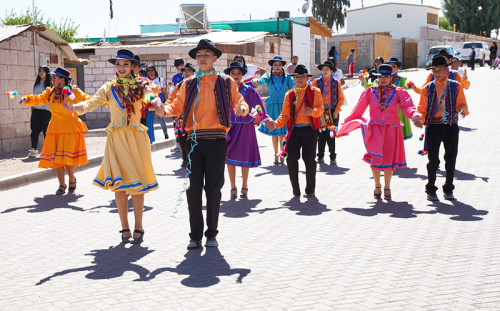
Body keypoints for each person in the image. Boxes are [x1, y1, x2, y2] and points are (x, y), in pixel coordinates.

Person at [155, 39, 249, 250]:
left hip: (217, 139)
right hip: (193, 141)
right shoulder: (188, 83)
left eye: (207, 54)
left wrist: (242, 107)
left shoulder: (226, 81)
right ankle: (195, 235)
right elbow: (176, 106)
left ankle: (212, 234)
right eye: (199, 55)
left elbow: (238, 100)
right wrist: (163, 110)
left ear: (215, 58)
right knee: (193, 188)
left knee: (214, 189)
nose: (202, 58)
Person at [66, 49, 159, 244]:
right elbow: (92, 102)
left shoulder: (142, 86)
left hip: (136, 138)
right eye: (118, 64)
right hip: (116, 138)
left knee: (138, 184)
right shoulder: (109, 88)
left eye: (126, 64)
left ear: (133, 67)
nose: (121, 68)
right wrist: (75, 107)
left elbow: (151, 97)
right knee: (119, 184)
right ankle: (124, 226)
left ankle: (139, 226)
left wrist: (155, 102)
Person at [337, 64, 422, 200]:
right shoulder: (369, 92)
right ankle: (377, 185)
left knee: (388, 158)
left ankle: (387, 186)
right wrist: (345, 126)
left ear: (391, 78)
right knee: (375, 156)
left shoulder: (399, 91)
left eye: (386, 76)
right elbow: (357, 111)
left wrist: (415, 117)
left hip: (392, 129)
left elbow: (408, 106)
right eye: (380, 76)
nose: (383, 79)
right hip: (375, 128)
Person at [19, 67, 91, 195]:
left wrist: (104, 101)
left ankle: (72, 179)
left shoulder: (73, 91)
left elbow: (88, 101)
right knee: (56, 158)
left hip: (70, 128)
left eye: (54, 78)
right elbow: (39, 98)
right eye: (52, 77)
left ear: (63, 80)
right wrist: (27, 99)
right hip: (55, 127)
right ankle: (61, 184)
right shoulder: (50, 92)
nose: (52, 80)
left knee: (67, 157)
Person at [265, 65, 324, 197]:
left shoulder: (315, 92)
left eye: (302, 77)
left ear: (307, 78)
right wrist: (275, 123)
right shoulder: (290, 94)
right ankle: (295, 189)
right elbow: (284, 115)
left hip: (310, 130)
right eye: (297, 77)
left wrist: (312, 112)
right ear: (294, 78)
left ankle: (310, 189)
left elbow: (320, 109)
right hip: (293, 131)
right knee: (291, 159)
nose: (299, 79)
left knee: (309, 160)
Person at [416, 55, 469, 201]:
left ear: (446, 70)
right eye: (434, 71)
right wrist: (420, 119)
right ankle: (431, 189)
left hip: (451, 126)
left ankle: (448, 188)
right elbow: (422, 108)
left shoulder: (455, 85)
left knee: (451, 158)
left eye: (440, 70)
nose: (437, 73)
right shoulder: (427, 89)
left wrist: (463, 108)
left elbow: (461, 102)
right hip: (434, 126)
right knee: (433, 160)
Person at [224, 61, 271, 200]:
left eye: (239, 73)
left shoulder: (249, 90)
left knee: (244, 156)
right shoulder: (224, 91)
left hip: (245, 128)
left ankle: (244, 185)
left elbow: (259, 106)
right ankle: (232, 187)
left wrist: (265, 118)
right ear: (229, 75)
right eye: (233, 73)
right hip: (229, 127)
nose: (236, 76)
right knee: (229, 158)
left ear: (243, 75)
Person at [253, 56, 295, 164]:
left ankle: (282, 153)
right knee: (274, 132)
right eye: (275, 65)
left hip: (284, 106)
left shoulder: (287, 78)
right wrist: (257, 81)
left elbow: (295, 86)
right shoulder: (269, 77)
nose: (277, 67)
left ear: (282, 66)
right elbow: (261, 80)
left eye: (279, 65)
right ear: (272, 66)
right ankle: (275, 154)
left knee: (282, 133)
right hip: (272, 106)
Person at [361, 57, 414, 140]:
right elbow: (369, 88)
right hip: (381, 119)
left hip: (398, 111)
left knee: (396, 136)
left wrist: (409, 85)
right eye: (390, 66)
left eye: (394, 66)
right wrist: (363, 81)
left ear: (397, 68)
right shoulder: (376, 84)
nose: (392, 68)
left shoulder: (401, 80)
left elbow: (406, 86)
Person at [311, 60, 345, 165]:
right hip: (320, 112)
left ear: (331, 71)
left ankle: (332, 157)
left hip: (332, 111)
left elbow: (340, 99)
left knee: (331, 135)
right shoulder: (316, 82)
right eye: (323, 69)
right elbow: (312, 97)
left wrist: (336, 111)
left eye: (327, 69)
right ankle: (320, 156)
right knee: (320, 135)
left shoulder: (336, 83)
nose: (325, 71)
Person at [167, 62, 196, 167]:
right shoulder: (179, 85)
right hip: (181, 116)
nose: (187, 73)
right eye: (185, 71)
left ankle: (193, 158)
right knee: (182, 138)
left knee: (193, 138)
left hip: (194, 115)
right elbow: (172, 98)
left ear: (193, 72)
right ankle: (184, 157)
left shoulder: (198, 83)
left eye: (189, 71)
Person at [28, 66, 52, 157]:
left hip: (46, 110)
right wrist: (32, 107)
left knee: (46, 131)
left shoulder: (50, 84)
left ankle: (47, 151)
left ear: (47, 73)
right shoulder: (37, 83)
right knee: (34, 130)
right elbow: (34, 95)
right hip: (36, 110)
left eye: (43, 71)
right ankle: (33, 149)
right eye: (40, 71)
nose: (41, 73)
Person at [146, 64, 169, 139]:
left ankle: (166, 134)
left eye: (151, 70)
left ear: (155, 71)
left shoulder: (160, 79)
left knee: (161, 119)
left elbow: (164, 91)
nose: (150, 72)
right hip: (149, 103)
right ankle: (151, 137)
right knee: (150, 121)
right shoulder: (146, 81)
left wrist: (167, 101)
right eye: (148, 70)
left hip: (159, 103)